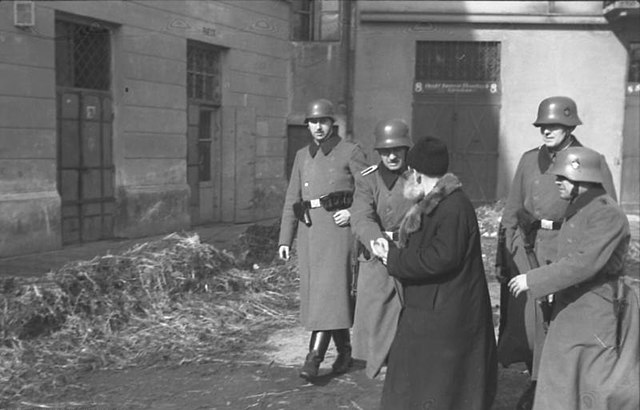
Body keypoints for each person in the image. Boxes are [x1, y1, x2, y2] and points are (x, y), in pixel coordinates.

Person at [499, 96, 617, 409]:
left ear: (570, 126)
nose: (547, 131)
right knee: (532, 325)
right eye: (543, 125)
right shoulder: (528, 160)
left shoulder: (591, 161)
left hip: (568, 252)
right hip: (532, 248)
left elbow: (603, 213)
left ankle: (558, 388)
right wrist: (515, 256)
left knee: (565, 323)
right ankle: (537, 381)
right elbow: (512, 212)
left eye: (555, 125)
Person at [370, 137, 497, 410]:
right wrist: (392, 250)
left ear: (416, 173)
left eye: (408, 173)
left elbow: (441, 258)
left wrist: (392, 257)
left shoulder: (452, 207)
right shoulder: (435, 203)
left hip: (446, 314)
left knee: (439, 386)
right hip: (433, 309)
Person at [508, 146, 639, 410]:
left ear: (583, 180)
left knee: (592, 382)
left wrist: (533, 280)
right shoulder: (579, 208)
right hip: (572, 305)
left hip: (596, 308)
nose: (557, 182)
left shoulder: (606, 212)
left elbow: (584, 262)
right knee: (563, 377)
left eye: (563, 178)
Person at [277, 98, 368, 380]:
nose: (318, 127)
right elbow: (293, 198)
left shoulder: (350, 151)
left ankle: (313, 359)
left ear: (333, 124)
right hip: (309, 233)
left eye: (323, 122)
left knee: (328, 294)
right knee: (325, 296)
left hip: (337, 233)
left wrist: (352, 213)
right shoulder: (302, 156)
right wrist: (284, 239)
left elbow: (369, 190)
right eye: (313, 122)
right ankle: (344, 352)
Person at [350, 118, 415, 379]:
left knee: (410, 310)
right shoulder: (368, 179)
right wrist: (375, 240)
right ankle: (380, 362)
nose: (391, 156)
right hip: (377, 253)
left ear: (406, 149)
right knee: (376, 311)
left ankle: (405, 364)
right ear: (378, 152)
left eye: (397, 150)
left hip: (409, 251)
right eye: (386, 151)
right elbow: (360, 216)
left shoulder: (416, 177)